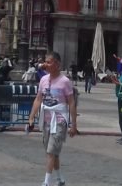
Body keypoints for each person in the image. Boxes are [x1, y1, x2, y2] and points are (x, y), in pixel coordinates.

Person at [27, 51, 78, 186]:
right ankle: (60, 178)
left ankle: (46, 182)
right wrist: (31, 117)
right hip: (46, 119)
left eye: (49, 62)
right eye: (45, 61)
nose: (45, 64)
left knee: (51, 151)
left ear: (57, 64)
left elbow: (72, 102)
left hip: (60, 119)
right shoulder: (43, 80)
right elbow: (38, 99)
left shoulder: (65, 81)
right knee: (52, 152)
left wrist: (73, 125)